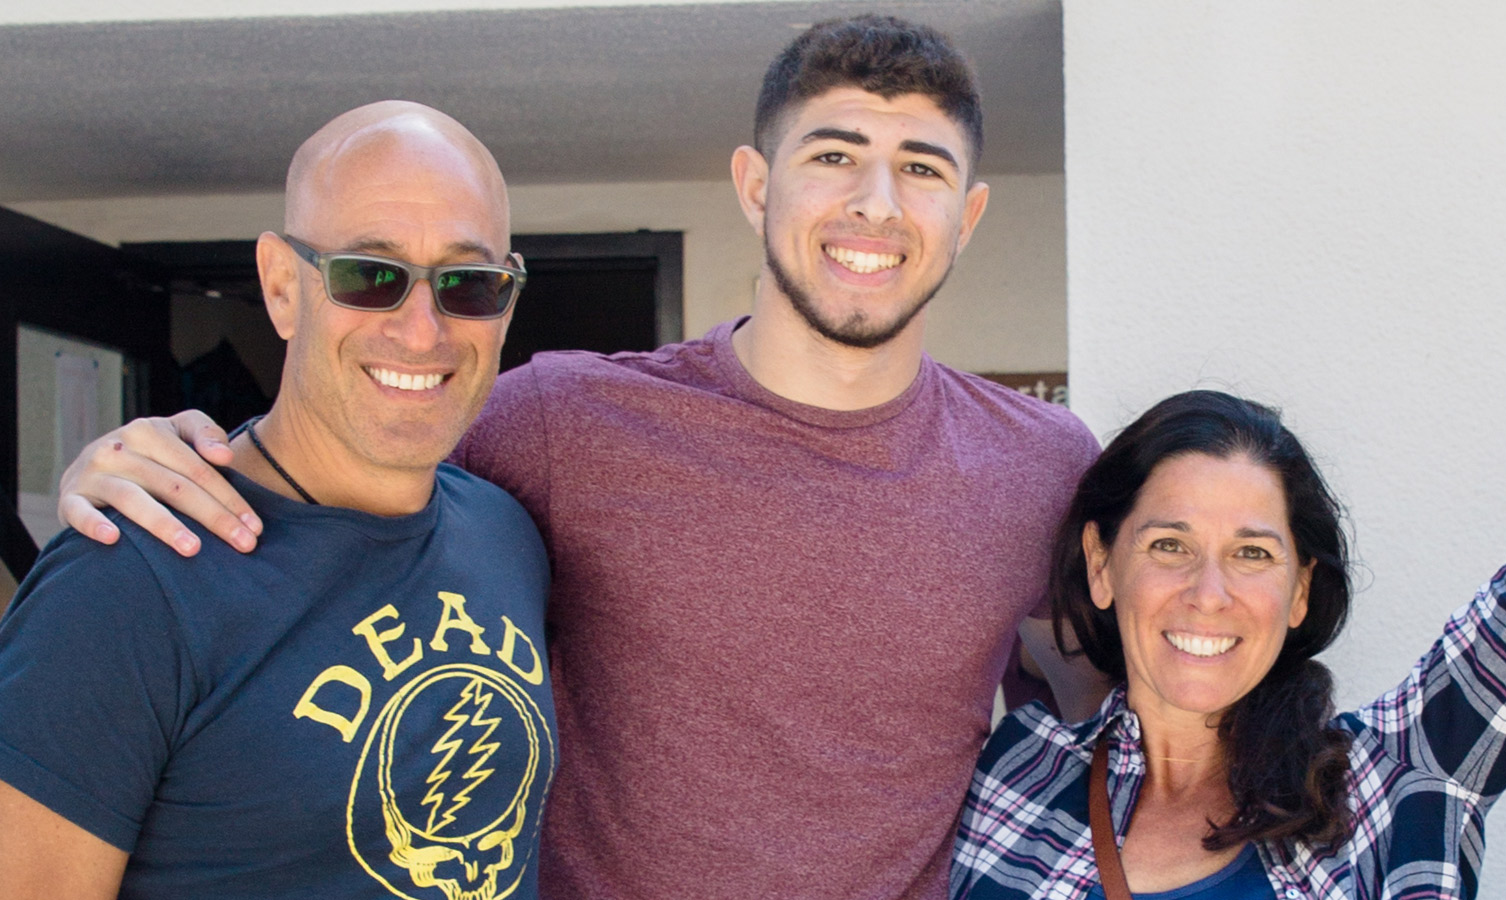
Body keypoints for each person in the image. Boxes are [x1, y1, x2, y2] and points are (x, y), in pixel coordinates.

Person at [52, 16, 1107, 900]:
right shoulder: (565, 419)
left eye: (920, 169)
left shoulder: (1043, 466)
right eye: (832, 155)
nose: (875, 202)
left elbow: (1134, 684)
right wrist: (142, 454)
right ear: (753, 185)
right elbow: (353, 439)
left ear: (965, 214)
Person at [0, 101, 556, 898]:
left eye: (469, 284)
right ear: (282, 286)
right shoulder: (130, 581)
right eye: (371, 276)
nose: (423, 330)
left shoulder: (508, 534)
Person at [951, 390, 1506, 900]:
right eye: (1169, 545)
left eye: (1252, 552)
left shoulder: (1393, 782)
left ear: (1298, 591)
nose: (1208, 593)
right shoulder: (1020, 771)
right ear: (1102, 565)